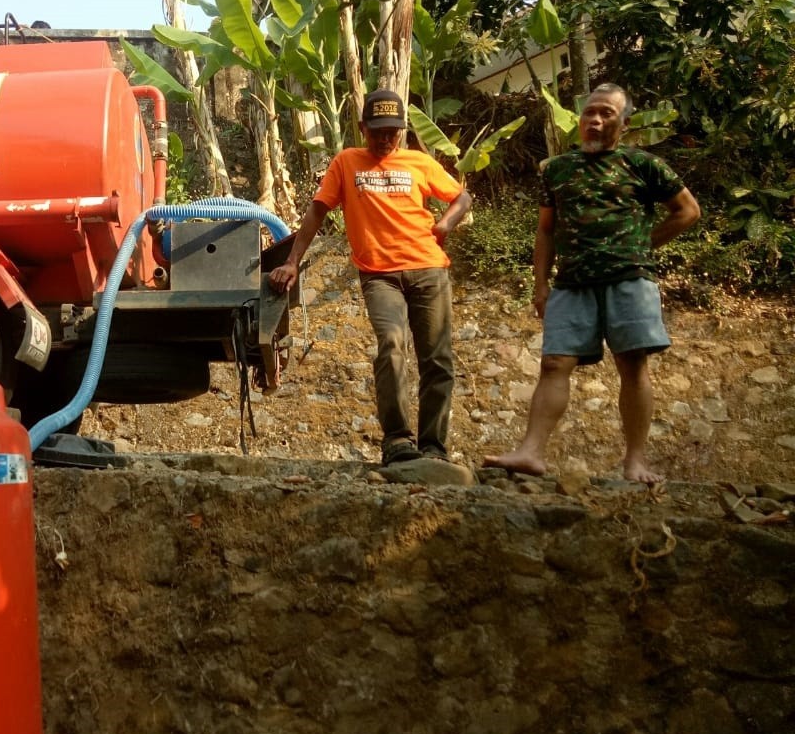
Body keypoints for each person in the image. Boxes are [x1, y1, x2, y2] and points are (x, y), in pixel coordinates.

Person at [483, 83, 700, 483]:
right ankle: (531, 453)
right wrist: (540, 284)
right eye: (589, 114)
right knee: (553, 364)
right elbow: (546, 231)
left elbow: (687, 211)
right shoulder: (558, 169)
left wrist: (642, 245)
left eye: (607, 114)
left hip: (629, 279)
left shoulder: (643, 164)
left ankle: (635, 462)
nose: (595, 121)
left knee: (632, 366)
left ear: (625, 122)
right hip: (572, 283)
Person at [269, 88, 472, 465]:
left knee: (437, 359)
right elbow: (317, 212)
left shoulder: (419, 162)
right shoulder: (347, 162)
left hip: (428, 269)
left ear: (402, 129)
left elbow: (462, 197)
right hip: (379, 275)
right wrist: (292, 261)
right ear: (362, 127)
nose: (384, 138)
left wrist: (444, 224)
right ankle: (397, 440)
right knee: (392, 345)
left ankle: (434, 448)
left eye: (392, 131)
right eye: (377, 131)